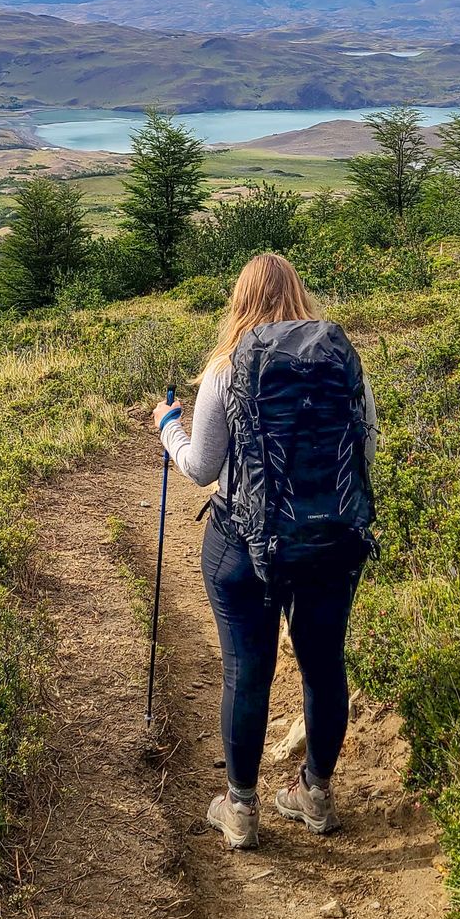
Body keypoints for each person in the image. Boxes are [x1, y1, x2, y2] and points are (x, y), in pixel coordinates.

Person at [152, 253, 377, 851]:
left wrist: (167, 426)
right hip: (332, 540)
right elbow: (365, 452)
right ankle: (317, 796)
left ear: (240, 300)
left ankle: (241, 808)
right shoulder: (342, 360)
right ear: (300, 294)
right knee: (324, 665)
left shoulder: (228, 368)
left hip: (244, 544)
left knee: (246, 670)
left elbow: (201, 468)